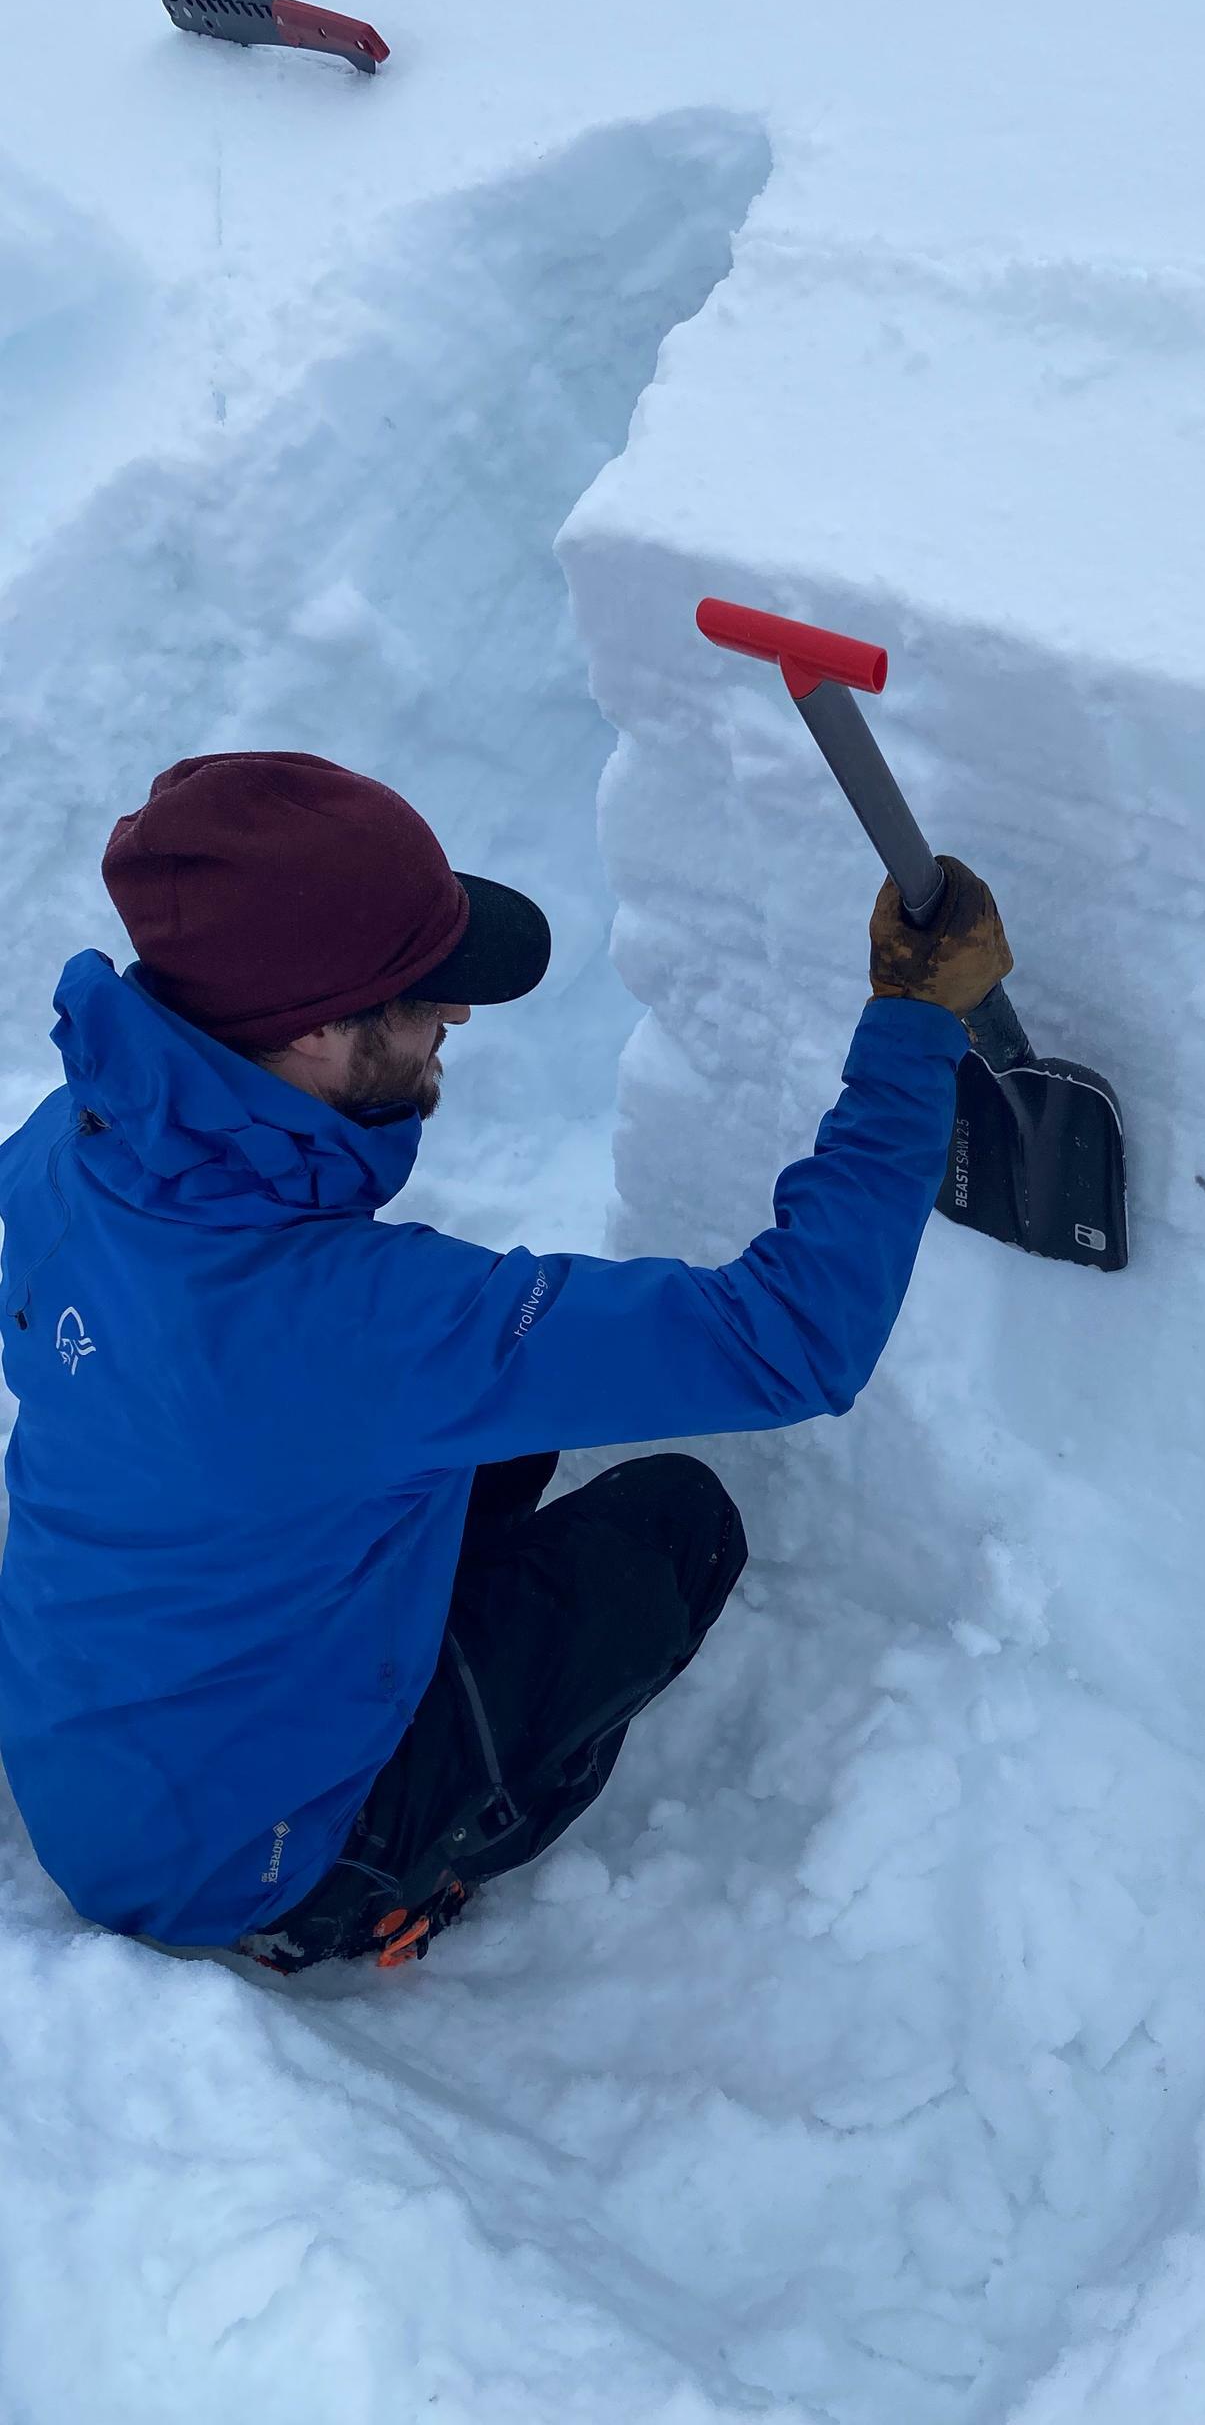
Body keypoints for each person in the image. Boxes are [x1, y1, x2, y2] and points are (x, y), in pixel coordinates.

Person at [0, 750, 1010, 1972]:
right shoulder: (369, 1326)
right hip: (247, 1860)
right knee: (675, 1531)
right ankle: (378, 1894)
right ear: (315, 1033)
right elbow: (794, 1339)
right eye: (427, 992)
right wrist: (913, 1026)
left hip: (89, 1756)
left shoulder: (76, 1142)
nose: (461, 1014)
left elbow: (222, 1363)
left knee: (505, 1410)